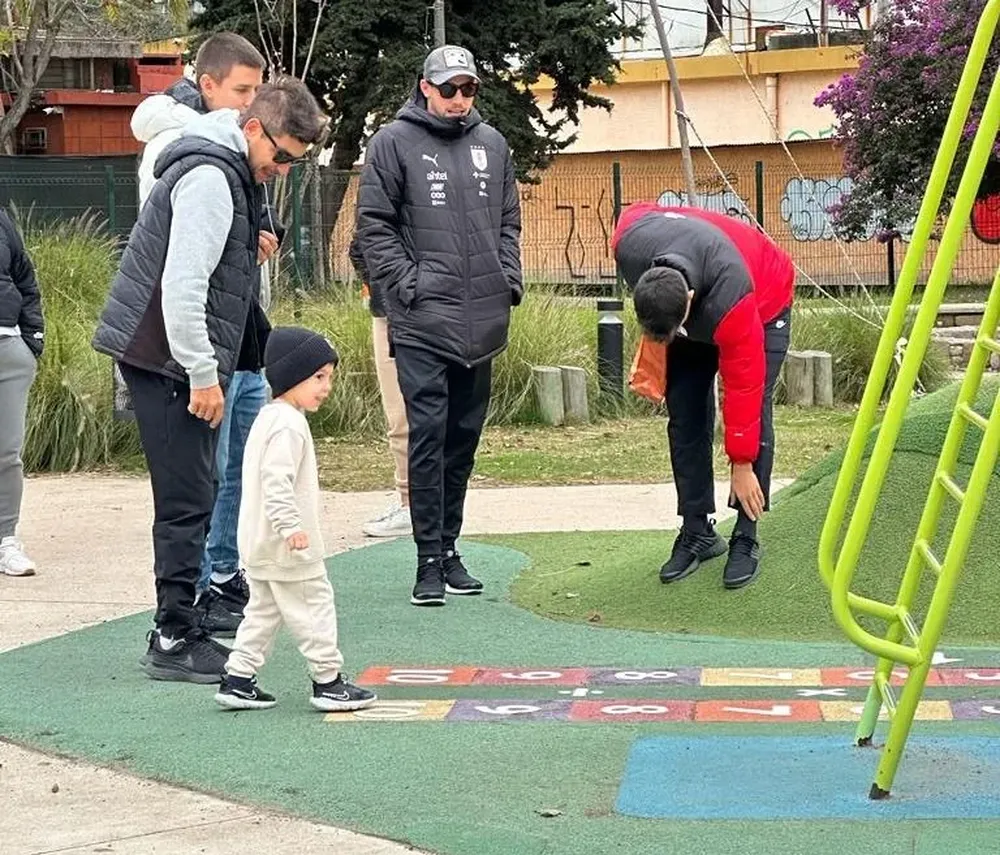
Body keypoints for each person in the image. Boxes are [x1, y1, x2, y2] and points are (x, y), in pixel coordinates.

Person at [93, 78, 327, 682]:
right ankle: (172, 637)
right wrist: (202, 374)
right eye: (281, 156)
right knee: (185, 499)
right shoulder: (210, 178)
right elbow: (183, 286)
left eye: (294, 163)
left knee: (198, 488)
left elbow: (213, 269)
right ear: (252, 128)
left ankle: (184, 618)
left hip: (175, 355)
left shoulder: (234, 173)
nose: (282, 169)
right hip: (167, 359)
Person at [356, 44, 522, 606]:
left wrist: (509, 280)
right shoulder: (391, 143)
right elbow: (373, 229)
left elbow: (509, 223)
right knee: (426, 437)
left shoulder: (493, 145)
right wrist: (409, 287)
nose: (458, 99)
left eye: (467, 88)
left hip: (483, 320)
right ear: (424, 87)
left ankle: (450, 550)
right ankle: (427, 559)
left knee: (462, 440)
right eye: (448, 88)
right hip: (424, 321)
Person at [131, 32, 283, 635]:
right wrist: (199, 369)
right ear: (207, 83)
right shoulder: (187, 152)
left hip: (241, 329)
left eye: (257, 91)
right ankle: (183, 610)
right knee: (195, 485)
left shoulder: (245, 153)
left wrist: (257, 242)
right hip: (187, 345)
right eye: (242, 90)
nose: (250, 102)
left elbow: (242, 239)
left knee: (230, 472)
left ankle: (221, 578)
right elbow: (183, 267)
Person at [612, 201, 795, 589]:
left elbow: (743, 387)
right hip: (699, 273)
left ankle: (746, 536)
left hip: (763, 294)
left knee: (755, 411)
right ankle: (697, 531)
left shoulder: (732, 299)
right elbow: (639, 211)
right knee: (685, 409)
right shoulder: (629, 246)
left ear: (690, 301)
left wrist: (741, 464)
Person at [215, 326, 377, 712]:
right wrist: (291, 526)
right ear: (291, 377)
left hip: (259, 545)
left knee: (264, 612)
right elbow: (276, 480)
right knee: (314, 605)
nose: (326, 387)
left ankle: (238, 677)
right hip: (287, 545)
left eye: (330, 378)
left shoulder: (269, 418)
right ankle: (328, 682)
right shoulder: (288, 424)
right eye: (318, 377)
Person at [348, 231, 412, 538]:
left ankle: (416, 504)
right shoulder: (377, 185)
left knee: (404, 411)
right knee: (398, 411)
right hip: (391, 306)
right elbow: (360, 245)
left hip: (424, 305)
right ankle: (409, 502)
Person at [0, 209, 44, 577]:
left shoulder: (1, 219)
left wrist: (32, 341)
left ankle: (5, 540)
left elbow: (25, 279)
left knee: (7, 452)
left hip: (9, 351)